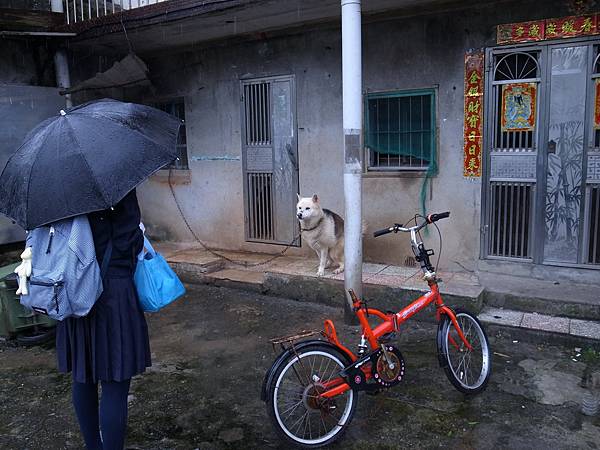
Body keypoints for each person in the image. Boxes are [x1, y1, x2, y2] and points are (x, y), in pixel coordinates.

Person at [56, 189, 151, 450]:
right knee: (115, 383)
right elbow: (131, 241)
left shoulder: (63, 193)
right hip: (115, 294)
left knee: (83, 374)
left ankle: (93, 446)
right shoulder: (117, 186)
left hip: (75, 292)